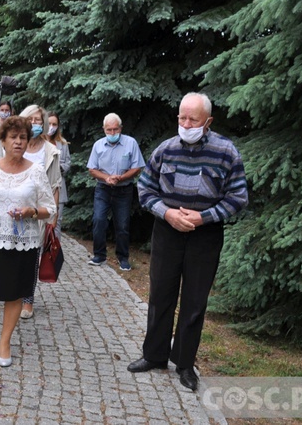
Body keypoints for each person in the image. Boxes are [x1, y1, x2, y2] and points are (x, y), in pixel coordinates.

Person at [127, 92, 248, 391]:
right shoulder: (165, 149)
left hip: (204, 236)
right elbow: (145, 189)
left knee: (194, 301)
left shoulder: (226, 152)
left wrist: (203, 217)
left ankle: (184, 362)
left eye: (193, 119)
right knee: (160, 295)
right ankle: (154, 355)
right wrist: (167, 213)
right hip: (167, 230)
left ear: (208, 122)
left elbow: (238, 198)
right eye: (182, 117)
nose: (186, 123)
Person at [0, 115, 56, 367]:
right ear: (3, 140)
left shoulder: (36, 172)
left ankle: (5, 341)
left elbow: (50, 208)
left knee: (14, 293)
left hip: (22, 242)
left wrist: (32, 212)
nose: (18, 142)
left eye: (23, 137)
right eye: (13, 137)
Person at [18, 104, 62, 319]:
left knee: (32, 258)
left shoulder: (50, 151)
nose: (35, 124)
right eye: (31, 119)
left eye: (38, 121)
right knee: (11, 253)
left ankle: (27, 301)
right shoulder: (17, 144)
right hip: (15, 208)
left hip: (39, 213)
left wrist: (53, 217)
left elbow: (55, 186)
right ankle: (11, 294)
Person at [86, 113, 145, 271]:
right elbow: (92, 169)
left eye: (115, 129)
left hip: (124, 189)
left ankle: (123, 258)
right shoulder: (98, 145)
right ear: (104, 129)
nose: (112, 133)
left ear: (121, 128)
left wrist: (121, 177)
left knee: (123, 225)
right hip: (103, 189)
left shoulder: (130, 143)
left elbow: (137, 167)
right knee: (99, 220)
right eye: (109, 130)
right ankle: (99, 255)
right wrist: (107, 178)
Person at [47, 112, 71, 237]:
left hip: (59, 187)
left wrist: (60, 167)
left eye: (54, 124)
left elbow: (68, 163)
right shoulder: (37, 142)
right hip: (42, 187)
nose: (51, 126)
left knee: (57, 222)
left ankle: (54, 254)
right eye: (49, 123)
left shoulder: (62, 143)